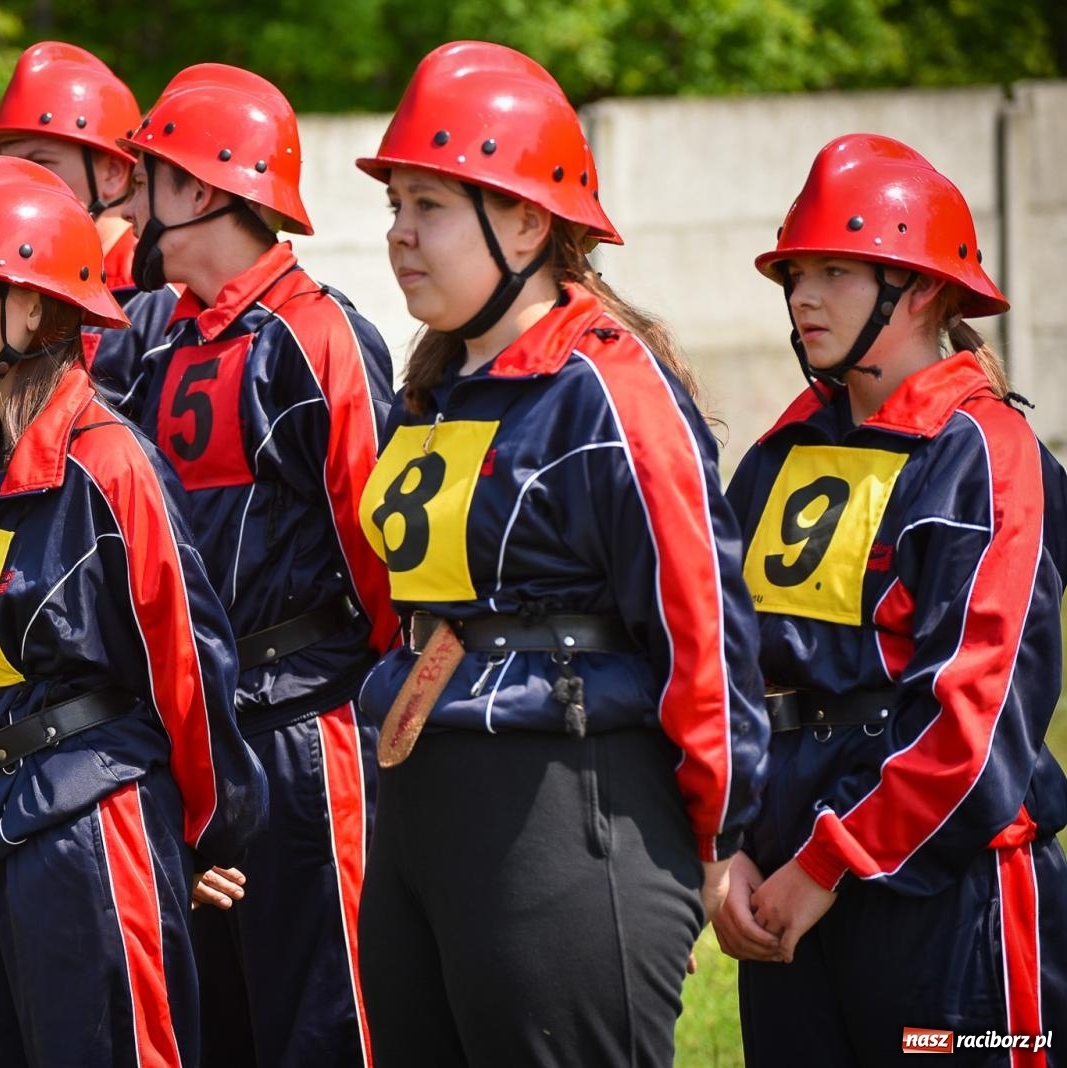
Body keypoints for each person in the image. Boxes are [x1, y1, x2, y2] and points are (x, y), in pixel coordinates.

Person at [351, 41, 769, 1066]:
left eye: (429, 205)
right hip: (421, 802)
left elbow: (702, 621)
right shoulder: (433, 391)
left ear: (528, 223)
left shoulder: (607, 388)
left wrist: (720, 832)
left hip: (565, 802)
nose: (399, 232)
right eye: (395, 205)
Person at [0, 154, 266, 1066]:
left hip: (90, 822)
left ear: (31, 306)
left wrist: (204, 833)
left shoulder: (110, 463)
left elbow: (188, 657)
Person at [714, 132, 1067, 1066]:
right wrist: (729, 846)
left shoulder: (985, 453)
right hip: (781, 883)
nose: (802, 295)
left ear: (918, 290)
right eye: (796, 272)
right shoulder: (781, 452)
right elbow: (722, 668)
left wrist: (830, 862)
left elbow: (977, 721)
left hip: (947, 901)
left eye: (834, 271)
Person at [118, 62, 396, 1068]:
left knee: (327, 1022)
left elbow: (379, 553)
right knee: (220, 1025)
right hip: (201, 734)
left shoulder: (318, 333)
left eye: (147, 176)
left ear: (199, 190)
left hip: (308, 728)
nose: (127, 201)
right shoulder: (162, 343)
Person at [0, 40, 165, 408]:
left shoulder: (156, 296)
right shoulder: (24, 290)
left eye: (41, 164)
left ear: (113, 173)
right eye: (10, 167)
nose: (20, 185)